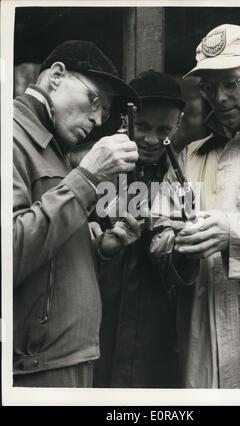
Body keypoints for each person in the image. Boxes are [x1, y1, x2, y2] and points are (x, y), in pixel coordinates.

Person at [153, 24, 240, 389]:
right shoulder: (187, 157)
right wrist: (180, 248)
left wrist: (233, 233)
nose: (219, 97)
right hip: (203, 352)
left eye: (230, 82)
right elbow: (158, 241)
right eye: (209, 86)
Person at [13, 40, 142, 387]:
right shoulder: (10, 135)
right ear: (56, 76)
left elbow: (50, 258)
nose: (99, 119)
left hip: (68, 356)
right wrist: (87, 177)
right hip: (38, 366)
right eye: (95, 100)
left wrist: (101, 250)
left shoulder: (52, 145)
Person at [92, 70, 198, 388]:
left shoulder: (185, 179)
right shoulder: (94, 166)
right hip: (98, 326)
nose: (152, 139)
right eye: (144, 127)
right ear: (126, 120)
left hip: (157, 336)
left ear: (178, 125)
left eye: (163, 129)